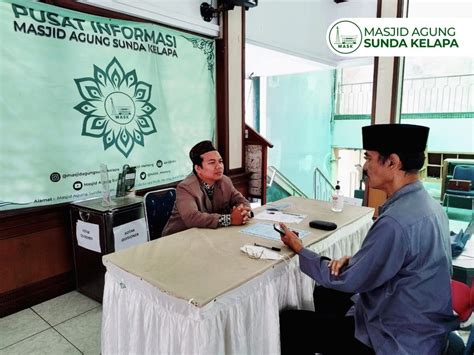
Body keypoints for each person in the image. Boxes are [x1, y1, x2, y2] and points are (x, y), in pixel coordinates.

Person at [279, 124, 458, 354]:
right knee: (325, 293)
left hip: (398, 339)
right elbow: (403, 259)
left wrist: (300, 249)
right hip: (424, 329)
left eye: (369, 157)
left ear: (392, 162)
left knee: (292, 324)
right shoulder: (431, 206)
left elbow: (348, 280)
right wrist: (357, 261)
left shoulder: (396, 221)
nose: (365, 166)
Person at [162, 140, 252, 236]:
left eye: (220, 162)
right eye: (212, 163)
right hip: (179, 238)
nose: (219, 166)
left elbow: (242, 200)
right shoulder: (185, 187)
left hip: (208, 234)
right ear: (198, 168)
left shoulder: (225, 181)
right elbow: (192, 218)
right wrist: (230, 219)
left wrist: (242, 212)